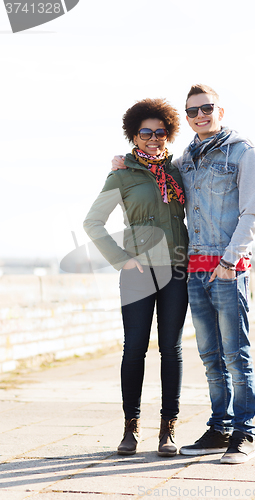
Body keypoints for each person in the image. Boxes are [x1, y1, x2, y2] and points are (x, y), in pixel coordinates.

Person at [111, 84, 255, 464]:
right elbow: (153, 170)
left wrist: (229, 262)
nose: (200, 115)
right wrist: (123, 161)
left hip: (227, 268)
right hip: (192, 269)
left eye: (207, 108)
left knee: (235, 356)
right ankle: (219, 427)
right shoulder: (187, 160)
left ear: (220, 111)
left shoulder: (243, 151)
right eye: (193, 111)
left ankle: (244, 433)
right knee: (210, 356)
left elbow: (253, 214)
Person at [84, 98, 189, 457]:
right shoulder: (121, 175)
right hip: (139, 273)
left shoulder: (177, 171)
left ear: (168, 134)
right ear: (134, 134)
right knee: (134, 349)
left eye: (160, 132)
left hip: (176, 269)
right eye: (146, 132)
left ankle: (168, 430)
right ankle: (131, 427)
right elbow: (92, 222)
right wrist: (122, 260)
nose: (154, 138)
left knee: (171, 351)